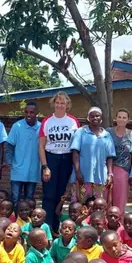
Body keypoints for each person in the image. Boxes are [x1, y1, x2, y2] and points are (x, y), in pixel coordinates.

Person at [39, 91, 80, 232]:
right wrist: (45, 166)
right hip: (51, 158)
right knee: (49, 195)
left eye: (63, 103)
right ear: (53, 104)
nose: (60, 105)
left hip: (66, 159)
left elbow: (76, 144)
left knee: (60, 195)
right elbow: (41, 146)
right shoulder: (47, 121)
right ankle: (46, 228)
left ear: (67, 105)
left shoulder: (73, 121)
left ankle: (56, 228)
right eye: (57, 102)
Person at [71, 107, 116, 202]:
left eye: (97, 116)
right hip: (83, 175)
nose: (95, 118)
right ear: (88, 118)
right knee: (80, 204)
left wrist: (110, 174)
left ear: (101, 118)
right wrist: (78, 172)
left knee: (99, 204)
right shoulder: (81, 132)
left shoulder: (107, 135)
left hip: (100, 176)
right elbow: (75, 153)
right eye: (92, 116)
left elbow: (110, 157)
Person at [6, 101, 41, 208]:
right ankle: (15, 222)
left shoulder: (42, 128)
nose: (28, 115)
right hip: (18, 170)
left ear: (37, 113)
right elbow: (10, 146)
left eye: (31, 112)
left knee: (29, 199)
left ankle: (26, 223)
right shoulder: (17, 126)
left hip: (33, 170)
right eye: (26, 112)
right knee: (15, 198)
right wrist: (10, 163)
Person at [107, 108, 132, 212]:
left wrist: (131, 172)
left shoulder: (131, 134)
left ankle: (119, 223)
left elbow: (131, 154)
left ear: (128, 120)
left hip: (123, 170)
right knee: (107, 198)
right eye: (119, 117)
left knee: (120, 200)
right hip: (108, 168)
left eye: (124, 117)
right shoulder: (108, 132)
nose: (121, 119)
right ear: (116, 118)